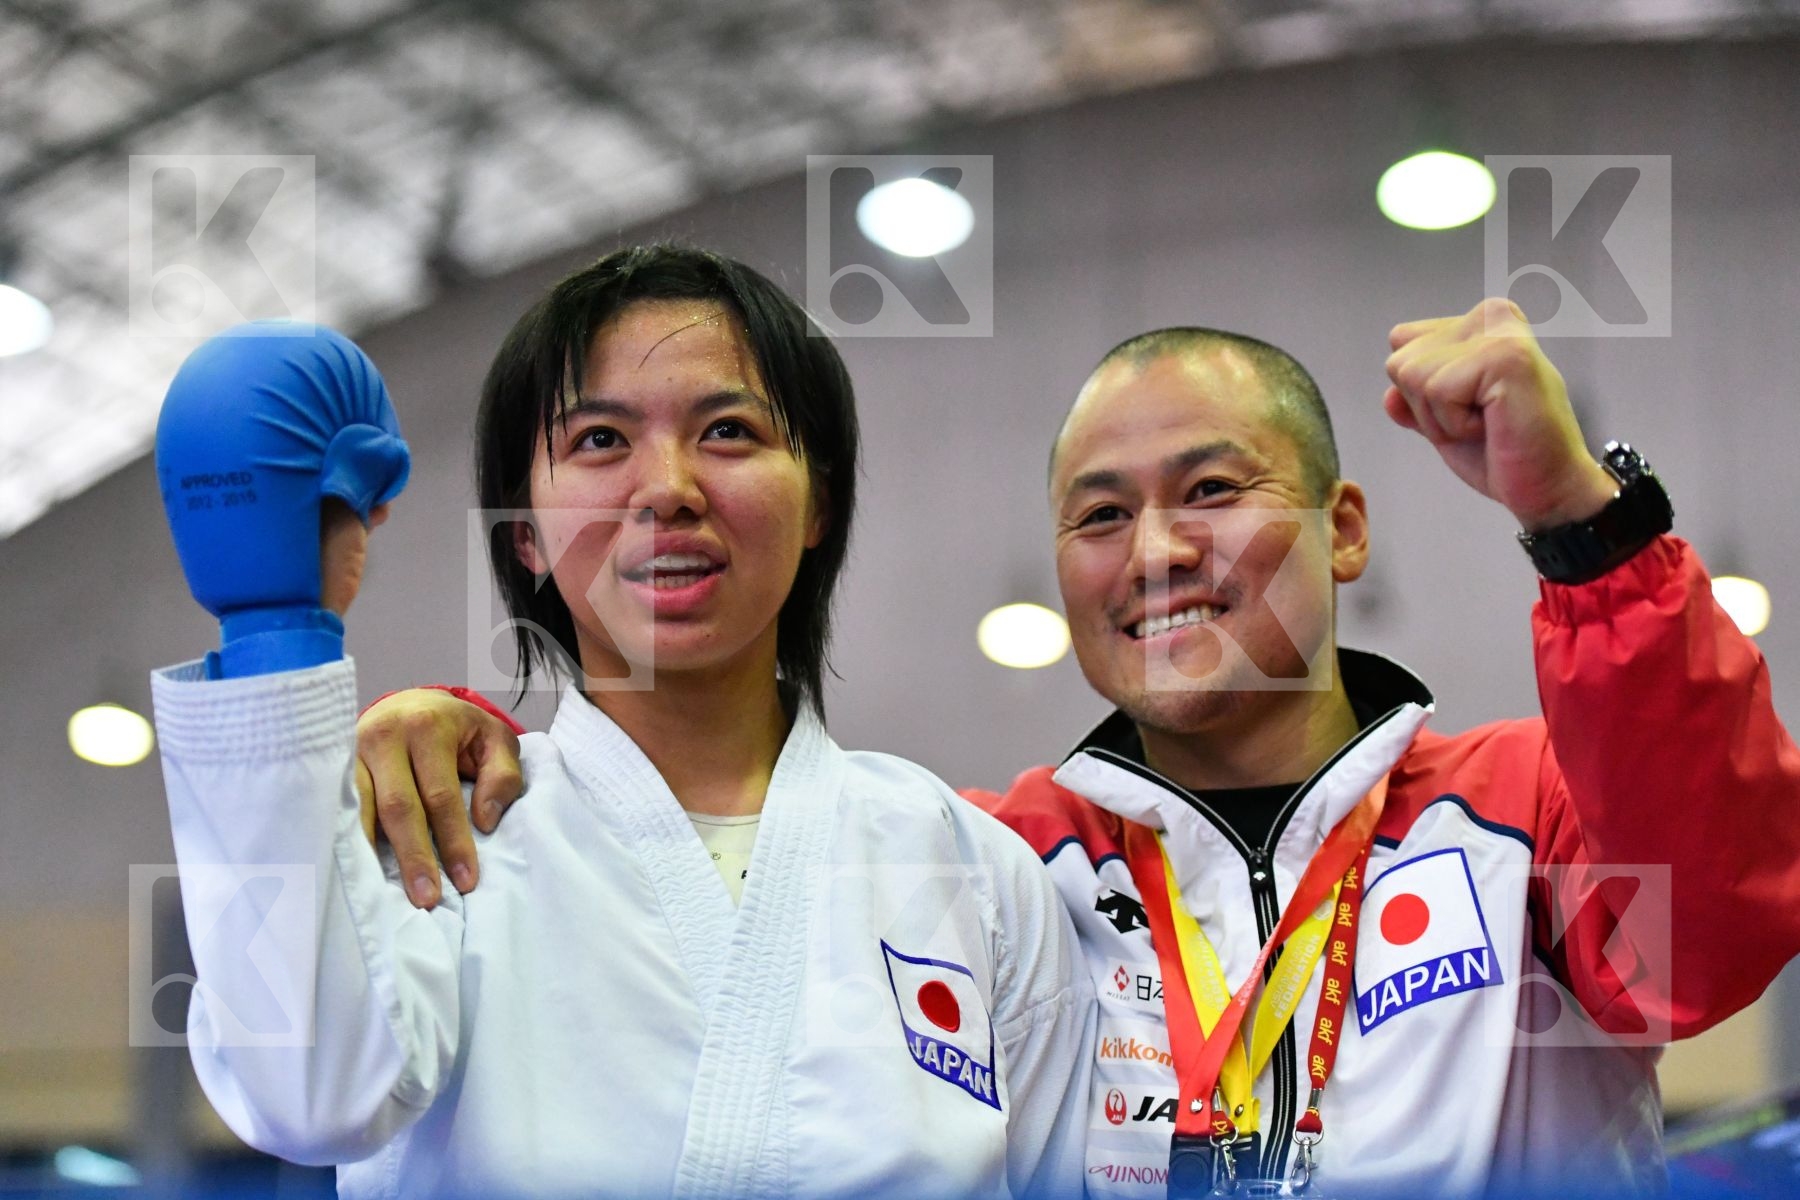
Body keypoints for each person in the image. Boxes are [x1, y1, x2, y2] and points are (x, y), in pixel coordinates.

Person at [363, 298, 1800, 1196]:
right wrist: (484, 743)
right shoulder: (990, 866)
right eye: (1101, 516)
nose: (1158, 552)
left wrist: (1588, 530)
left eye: (1214, 490)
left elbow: (1710, 941)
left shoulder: (1523, 812)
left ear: (1344, 527)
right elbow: (712, 898)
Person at [148, 245, 1094, 1200]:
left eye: (728, 430)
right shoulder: (434, 833)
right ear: (526, 534)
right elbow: (301, 1099)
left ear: (821, 501)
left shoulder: (972, 871)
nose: (668, 487)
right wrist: (276, 630)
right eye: (600, 440)